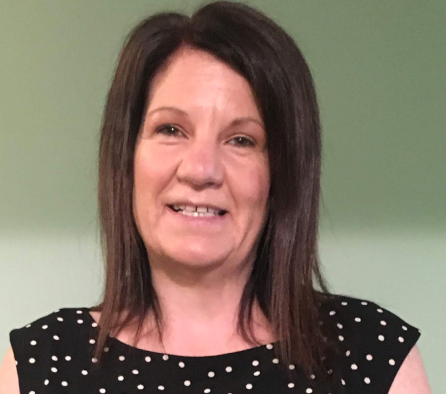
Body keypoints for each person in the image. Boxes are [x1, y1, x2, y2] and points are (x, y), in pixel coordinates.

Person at [0, 1, 431, 393]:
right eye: (170, 130)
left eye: (241, 140)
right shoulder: (39, 363)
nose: (200, 169)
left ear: (280, 173)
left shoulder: (371, 356)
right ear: (126, 157)